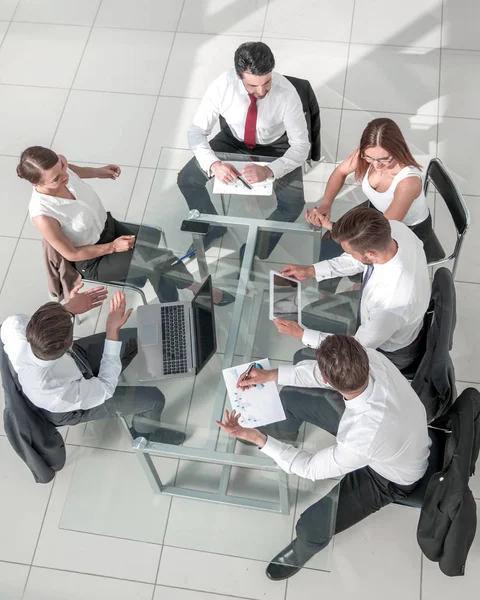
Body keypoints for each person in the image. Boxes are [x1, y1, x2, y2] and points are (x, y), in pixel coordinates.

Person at [217, 334, 431, 581]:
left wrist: (259, 440)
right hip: (397, 433)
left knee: (313, 525)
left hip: (392, 478)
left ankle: (302, 550)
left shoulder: (362, 436)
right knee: (291, 398)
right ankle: (282, 429)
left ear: (328, 380)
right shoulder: (373, 358)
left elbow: (309, 468)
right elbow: (318, 375)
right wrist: (271, 375)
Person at [18, 146, 234, 306]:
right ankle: (196, 289)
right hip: (93, 259)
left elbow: (73, 171)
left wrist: (98, 172)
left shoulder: (60, 168)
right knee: (158, 258)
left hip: (109, 227)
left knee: (154, 262)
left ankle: (171, 306)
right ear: (37, 185)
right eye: (56, 178)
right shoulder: (43, 214)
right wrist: (112, 247)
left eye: (62, 166)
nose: (65, 176)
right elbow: (72, 254)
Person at [0, 284, 185, 444]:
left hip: (73, 362)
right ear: (70, 344)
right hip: (73, 404)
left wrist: (67, 308)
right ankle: (145, 434)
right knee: (154, 400)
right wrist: (112, 331)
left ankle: (174, 349)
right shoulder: (56, 394)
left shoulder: (15, 326)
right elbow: (105, 388)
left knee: (135, 339)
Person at [177, 41, 310, 259]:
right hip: (234, 140)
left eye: (266, 83)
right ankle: (212, 227)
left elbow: (301, 146)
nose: (262, 91)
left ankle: (255, 250)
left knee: (293, 205)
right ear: (240, 76)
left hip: (275, 145)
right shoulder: (222, 86)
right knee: (187, 179)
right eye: (253, 86)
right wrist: (214, 164)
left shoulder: (287, 93)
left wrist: (270, 171)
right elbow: (196, 131)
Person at [274, 206, 431, 372]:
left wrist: (301, 334)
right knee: (311, 314)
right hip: (372, 315)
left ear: (370, 254)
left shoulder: (391, 304)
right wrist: (310, 271)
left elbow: (354, 346)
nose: (349, 255)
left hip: (387, 351)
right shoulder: (395, 230)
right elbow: (356, 260)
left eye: (350, 252)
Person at [307, 117, 435, 262]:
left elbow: (381, 231)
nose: (376, 165)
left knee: (353, 257)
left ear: (397, 149)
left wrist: (332, 226)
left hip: (405, 228)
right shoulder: (368, 153)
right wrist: (326, 204)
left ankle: (348, 282)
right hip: (376, 213)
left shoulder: (408, 182)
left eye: (384, 159)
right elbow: (340, 172)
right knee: (330, 243)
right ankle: (319, 278)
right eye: (370, 158)